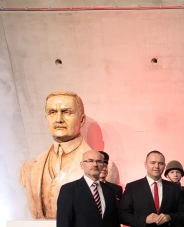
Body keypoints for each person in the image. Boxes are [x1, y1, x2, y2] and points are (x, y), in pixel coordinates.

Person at [20, 91, 116, 219]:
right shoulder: (29, 167)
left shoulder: (105, 168)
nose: (59, 119)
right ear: (46, 118)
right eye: (52, 112)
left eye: (67, 112)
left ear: (82, 120)